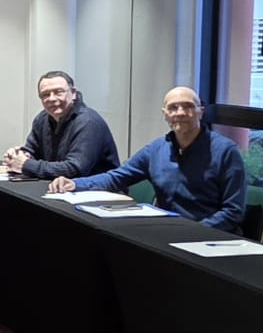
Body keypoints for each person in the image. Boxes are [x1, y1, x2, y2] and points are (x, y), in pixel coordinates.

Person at [48, 86, 247, 232]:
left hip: (211, 238)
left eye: (188, 106)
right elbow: (117, 177)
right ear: (165, 114)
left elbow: (233, 211)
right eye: (173, 107)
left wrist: (194, 232)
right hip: (167, 234)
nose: (180, 113)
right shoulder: (156, 149)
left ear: (200, 112)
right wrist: (74, 184)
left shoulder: (225, 151)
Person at [3, 70, 120, 179]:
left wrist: (26, 165)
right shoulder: (42, 118)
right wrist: (19, 156)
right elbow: (32, 151)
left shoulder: (88, 122)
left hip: (97, 190)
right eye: (45, 94)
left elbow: (74, 169)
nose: (51, 98)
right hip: (60, 187)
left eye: (58, 92)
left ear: (73, 93)